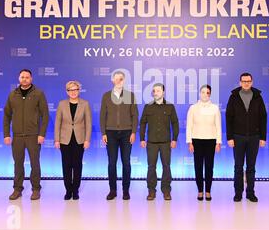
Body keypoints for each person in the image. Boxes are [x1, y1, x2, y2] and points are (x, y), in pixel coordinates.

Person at [3, 69, 49, 200]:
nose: (24, 79)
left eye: (27, 77)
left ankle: (36, 189)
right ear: (19, 79)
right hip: (17, 136)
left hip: (33, 136)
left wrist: (42, 134)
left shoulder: (38, 94)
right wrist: (6, 134)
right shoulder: (12, 95)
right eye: (22, 77)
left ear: (31, 79)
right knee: (18, 164)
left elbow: (45, 116)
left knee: (35, 163)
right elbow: (6, 116)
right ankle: (17, 189)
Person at [226, 72, 267, 202]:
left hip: (254, 137)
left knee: (251, 167)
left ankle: (250, 193)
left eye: (248, 81)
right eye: (244, 81)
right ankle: (238, 193)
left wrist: (263, 137)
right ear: (240, 82)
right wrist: (229, 137)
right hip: (237, 137)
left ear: (252, 82)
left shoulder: (258, 97)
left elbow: (263, 118)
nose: (246, 83)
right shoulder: (233, 97)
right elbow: (229, 118)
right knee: (238, 167)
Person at [100, 71, 138, 200]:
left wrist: (133, 132)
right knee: (112, 163)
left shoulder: (129, 95)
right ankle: (113, 190)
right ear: (112, 80)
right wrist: (103, 133)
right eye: (116, 79)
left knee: (126, 162)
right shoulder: (106, 96)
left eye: (121, 79)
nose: (118, 81)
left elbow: (134, 115)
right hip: (110, 133)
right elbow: (102, 116)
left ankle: (126, 191)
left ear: (124, 80)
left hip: (126, 133)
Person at [140, 83, 179, 201]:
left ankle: (166, 190)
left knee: (166, 166)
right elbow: (142, 123)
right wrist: (142, 138)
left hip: (166, 142)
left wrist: (174, 139)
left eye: (158, 90)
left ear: (163, 92)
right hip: (151, 142)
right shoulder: (148, 106)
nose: (155, 92)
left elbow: (175, 123)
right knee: (151, 167)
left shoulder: (170, 107)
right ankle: (151, 191)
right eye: (154, 91)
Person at [54, 81, 91, 200]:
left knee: (77, 165)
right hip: (65, 140)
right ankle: (68, 190)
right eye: (70, 90)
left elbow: (88, 124)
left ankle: (75, 190)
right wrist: (56, 139)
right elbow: (57, 123)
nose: (73, 92)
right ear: (67, 92)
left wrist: (87, 139)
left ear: (79, 90)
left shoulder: (85, 104)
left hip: (79, 140)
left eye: (75, 90)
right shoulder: (62, 104)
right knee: (66, 166)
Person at [186, 85, 221, 201]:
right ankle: (200, 190)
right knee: (198, 167)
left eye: (207, 92)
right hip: (197, 140)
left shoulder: (215, 108)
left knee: (209, 167)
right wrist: (189, 141)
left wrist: (218, 142)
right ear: (199, 93)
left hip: (211, 140)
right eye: (203, 92)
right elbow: (189, 126)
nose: (205, 94)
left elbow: (218, 126)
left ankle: (208, 191)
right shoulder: (193, 108)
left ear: (210, 94)